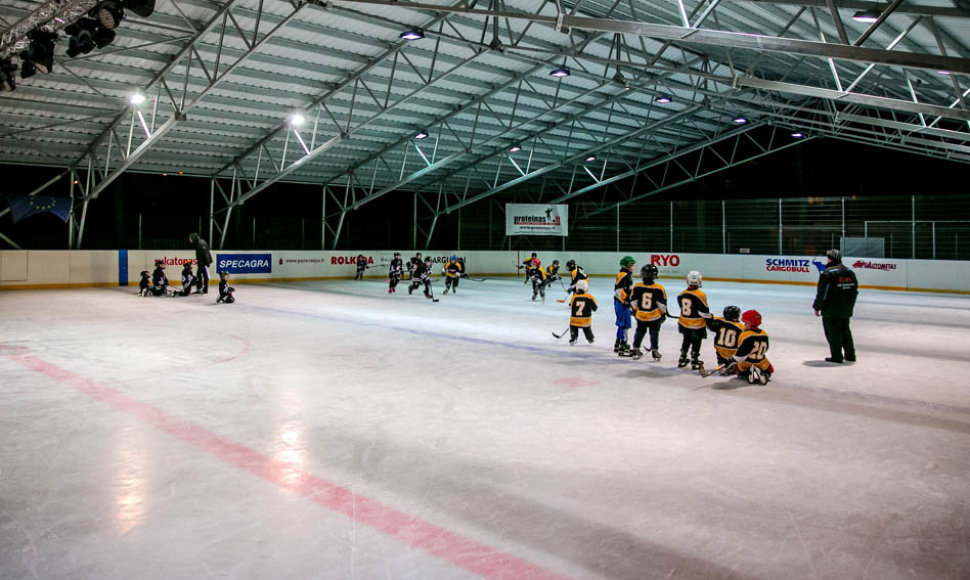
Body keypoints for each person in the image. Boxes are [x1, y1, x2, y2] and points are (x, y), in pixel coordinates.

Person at [813, 249, 859, 363]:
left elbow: (822, 293)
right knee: (845, 331)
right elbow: (854, 291)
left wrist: (817, 307)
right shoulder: (850, 272)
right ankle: (850, 355)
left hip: (831, 309)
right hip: (846, 308)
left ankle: (837, 356)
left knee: (833, 333)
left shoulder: (827, 273)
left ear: (829, 259)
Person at [621, 264, 667, 360]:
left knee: (640, 331)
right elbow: (661, 305)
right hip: (654, 316)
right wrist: (663, 314)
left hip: (641, 315)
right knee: (654, 332)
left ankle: (636, 349)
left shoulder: (637, 287)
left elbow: (633, 302)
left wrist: (634, 311)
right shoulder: (659, 288)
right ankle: (655, 350)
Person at [677, 270, 710, 370]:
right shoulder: (700, 294)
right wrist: (710, 318)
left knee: (686, 340)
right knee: (696, 341)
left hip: (684, 323)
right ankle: (694, 360)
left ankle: (682, 358)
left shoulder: (681, 294)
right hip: (697, 324)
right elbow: (703, 311)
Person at [733, 309, 773, 384]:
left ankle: (746, 373)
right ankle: (765, 373)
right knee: (770, 369)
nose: (744, 324)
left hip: (747, 361)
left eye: (746, 323)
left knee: (738, 367)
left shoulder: (745, 334)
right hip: (761, 360)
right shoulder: (764, 333)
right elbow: (766, 348)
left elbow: (741, 352)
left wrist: (731, 360)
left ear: (751, 323)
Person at [706, 305, 744, 373]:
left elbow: (710, 323)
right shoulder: (741, 327)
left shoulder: (720, 321)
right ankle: (735, 366)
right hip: (734, 351)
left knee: (720, 349)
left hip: (720, 349)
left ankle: (722, 363)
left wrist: (708, 318)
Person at [613, 256, 636, 353]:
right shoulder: (624, 275)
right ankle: (623, 344)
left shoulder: (625, 275)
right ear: (627, 265)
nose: (634, 267)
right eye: (632, 265)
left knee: (622, 323)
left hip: (621, 303)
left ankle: (618, 343)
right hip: (621, 303)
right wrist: (626, 302)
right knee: (625, 324)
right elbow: (618, 290)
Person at [567, 279, 597, 345]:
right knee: (586, 328)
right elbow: (595, 308)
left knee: (573, 327)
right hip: (585, 320)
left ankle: (573, 338)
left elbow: (572, 307)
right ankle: (590, 338)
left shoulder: (574, 297)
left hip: (574, 320)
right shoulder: (589, 297)